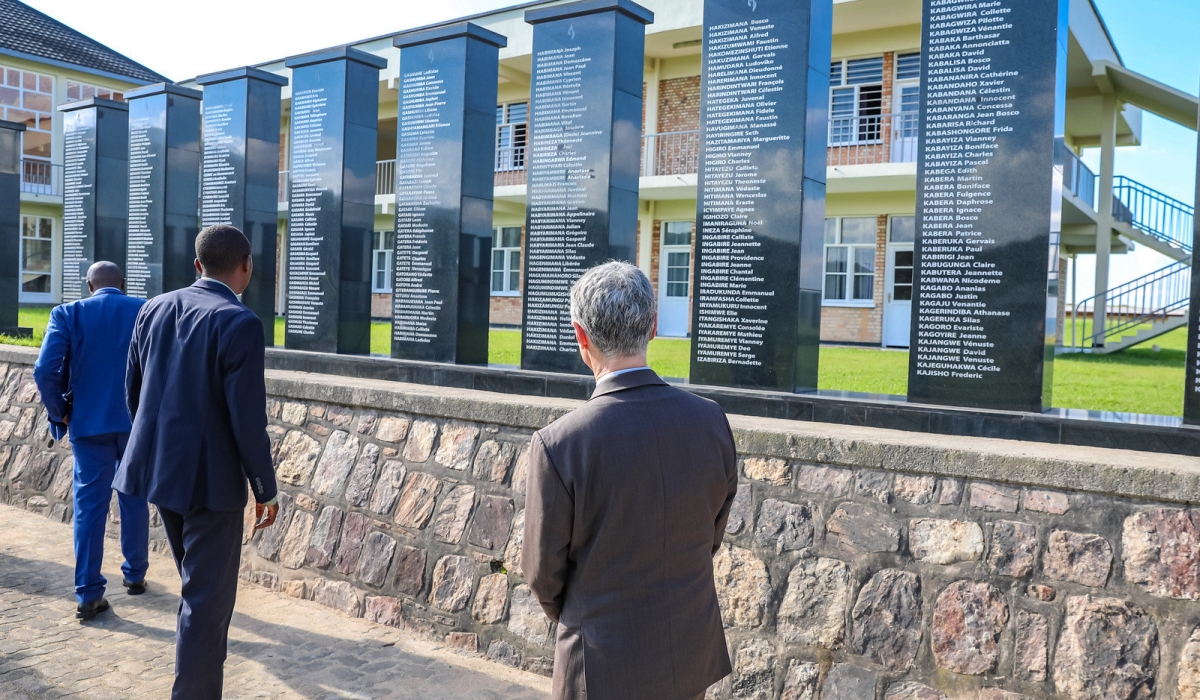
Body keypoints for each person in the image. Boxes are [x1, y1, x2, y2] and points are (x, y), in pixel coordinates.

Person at [522, 261, 739, 700]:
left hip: (601, 663)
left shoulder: (559, 445)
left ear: (580, 336)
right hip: (686, 653)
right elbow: (711, 532)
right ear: (653, 326)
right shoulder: (710, 420)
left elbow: (543, 575)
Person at [115, 224, 279, 700]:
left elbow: (134, 393)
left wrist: (156, 451)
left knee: (198, 594)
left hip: (161, 473)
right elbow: (249, 421)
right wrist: (265, 490)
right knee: (206, 604)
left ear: (197, 265)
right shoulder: (240, 322)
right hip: (212, 484)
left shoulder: (153, 308)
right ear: (246, 266)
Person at [32, 261, 150, 621]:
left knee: (89, 508)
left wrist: (59, 412)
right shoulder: (146, 310)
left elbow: (44, 370)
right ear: (124, 284)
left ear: (89, 286)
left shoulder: (68, 313)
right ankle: (135, 574)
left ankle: (89, 592)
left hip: (87, 424)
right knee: (134, 499)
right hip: (135, 424)